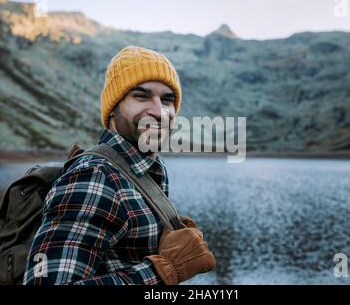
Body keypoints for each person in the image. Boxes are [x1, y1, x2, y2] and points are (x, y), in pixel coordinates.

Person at [23, 46, 216, 285]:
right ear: (113, 108)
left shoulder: (144, 167)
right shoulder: (95, 176)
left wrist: (163, 230)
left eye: (167, 100)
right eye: (141, 96)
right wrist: (164, 271)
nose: (159, 111)